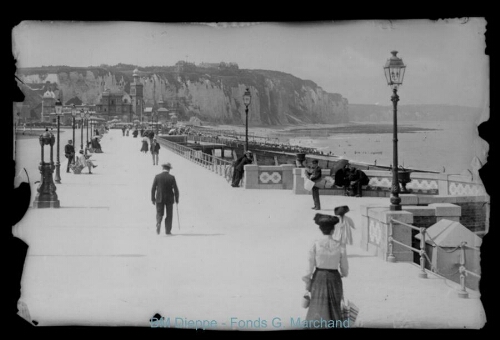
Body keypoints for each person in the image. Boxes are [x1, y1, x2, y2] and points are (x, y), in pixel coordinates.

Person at [302, 213, 348, 327]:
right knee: (335, 308)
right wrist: (342, 273)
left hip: (319, 278)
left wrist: (307, 283)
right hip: (334, 278)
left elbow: (309, 266)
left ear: (320, 229)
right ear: (333, 230)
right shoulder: (340, 245)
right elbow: (344, 267)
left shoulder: (315, 244)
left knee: (317, 308)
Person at [151, 163, 179, 235]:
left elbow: (153, 188)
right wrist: (177, 198)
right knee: (169, 214)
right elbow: (176, 189)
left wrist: (153, 198)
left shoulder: (157, 177)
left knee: (159, 212)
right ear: (169, 169)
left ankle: (158, 222)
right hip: (169, 198)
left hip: (159, 198)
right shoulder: (172, 177)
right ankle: (168, 230)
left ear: (163, 169)